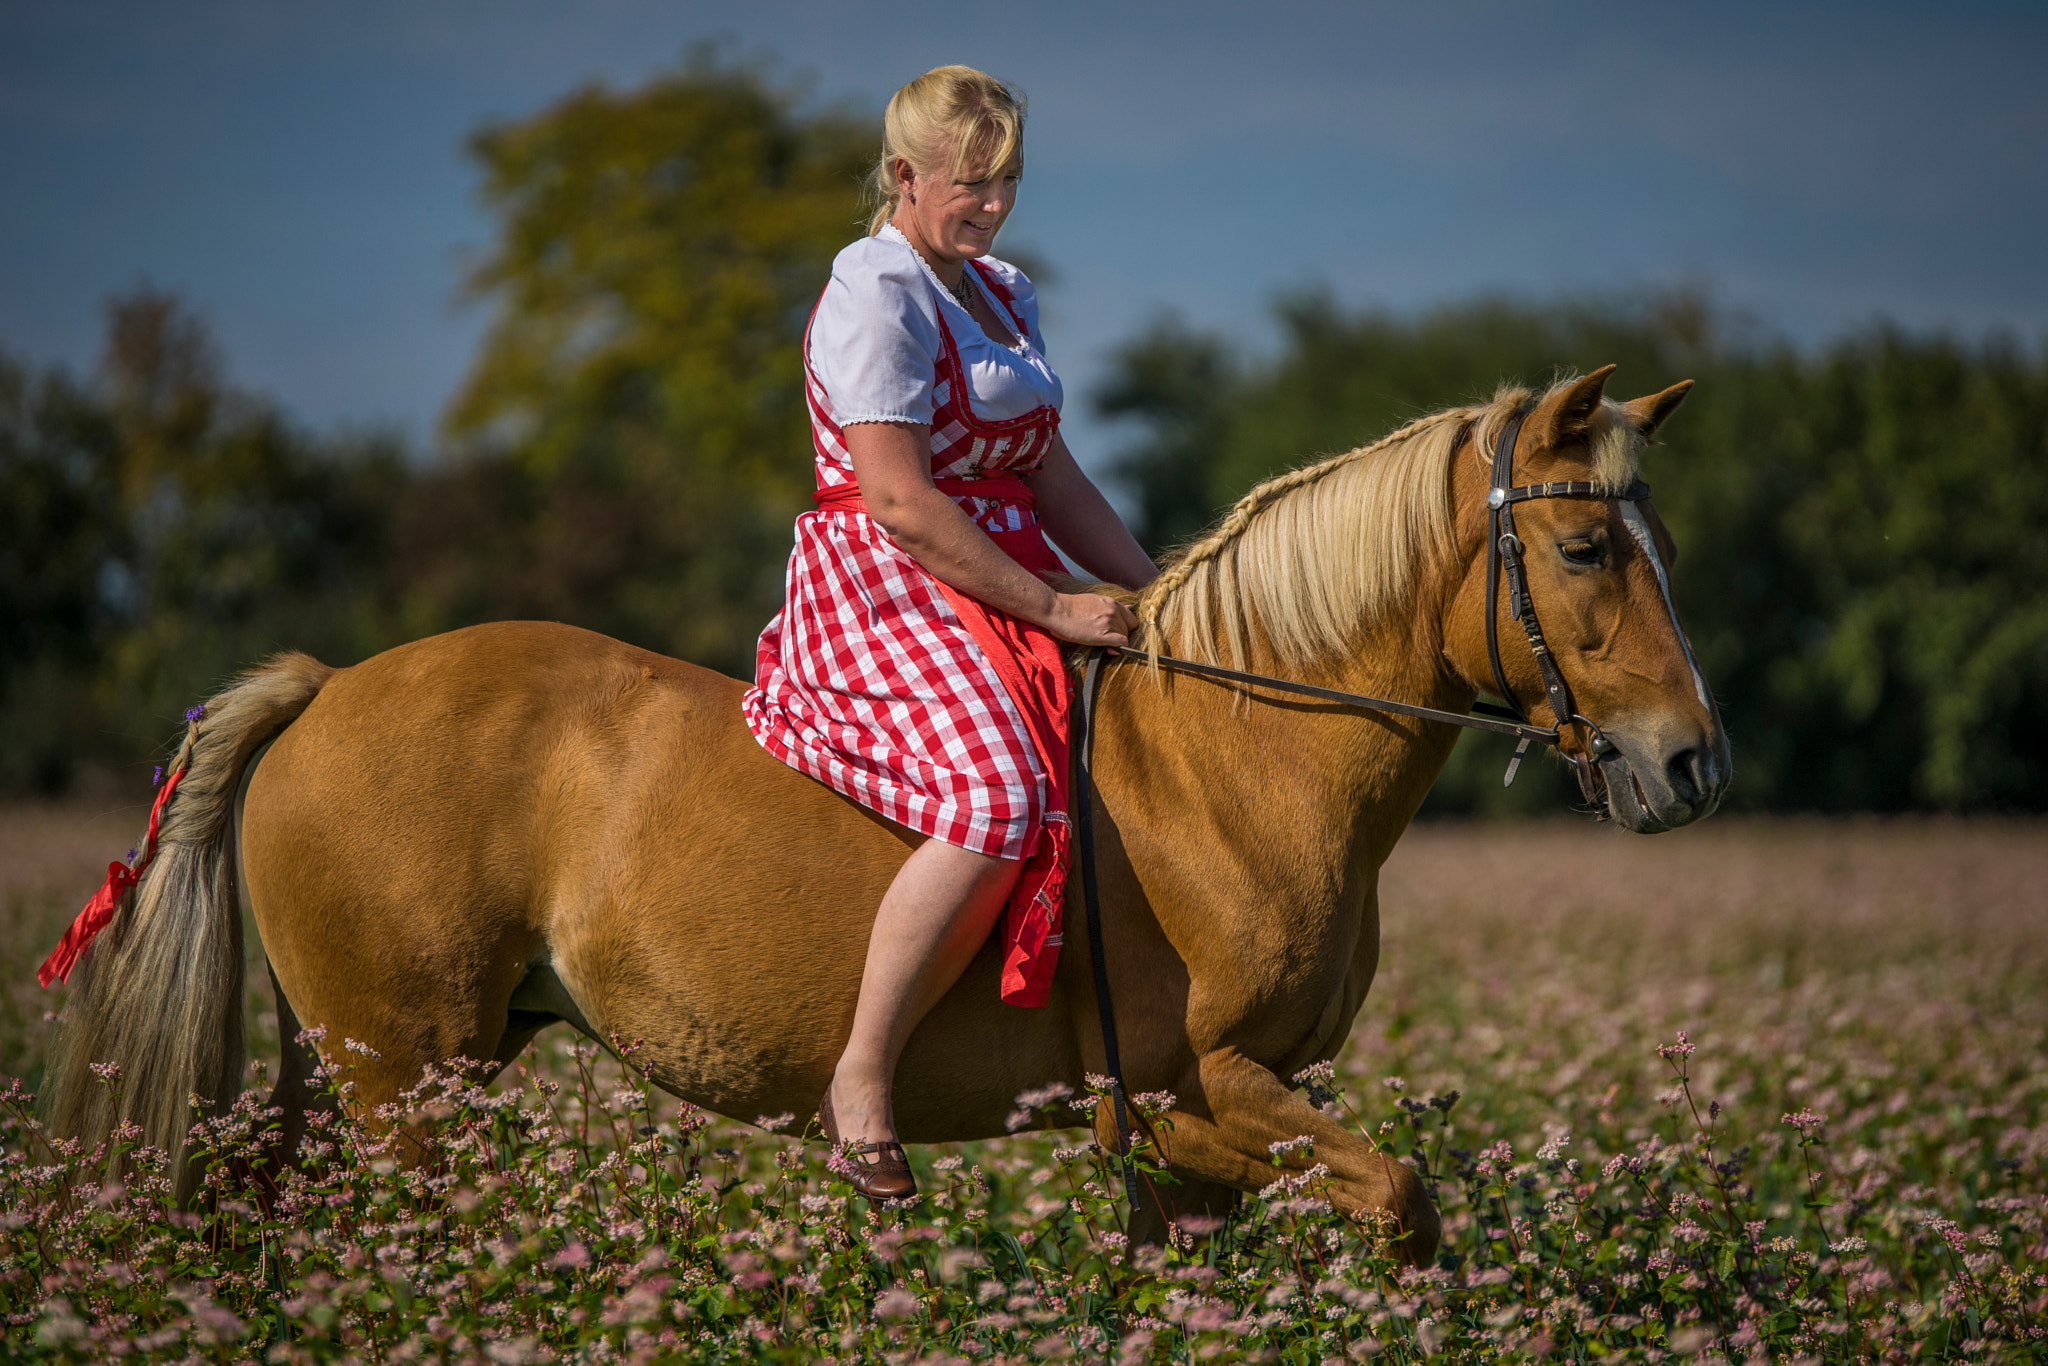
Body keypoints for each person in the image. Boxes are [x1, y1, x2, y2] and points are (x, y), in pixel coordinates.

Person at [742, 65, 1159, 1199]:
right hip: (887, 576)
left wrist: (1162, 588)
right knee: (997, 797)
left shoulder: (1001, 291)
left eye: (1009, 179)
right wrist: (1058, 606)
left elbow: (1054, 476)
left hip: (1002, 564)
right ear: (902, 177)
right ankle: (861, 1074)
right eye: (970, 183)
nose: (992, 203)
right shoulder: (874, 292)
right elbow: (900, 501)